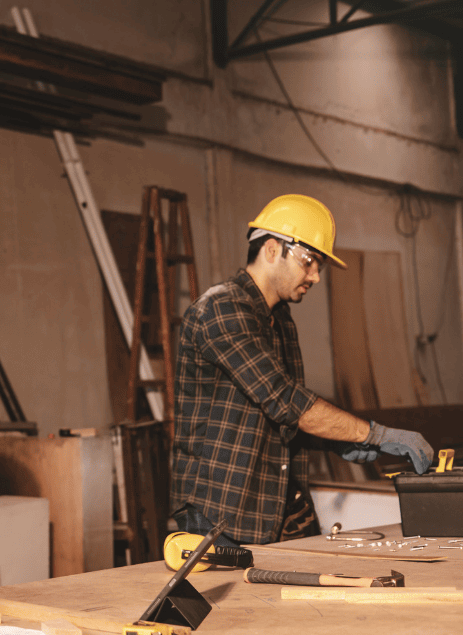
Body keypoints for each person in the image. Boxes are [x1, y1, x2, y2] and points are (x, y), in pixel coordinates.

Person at [169, 194, 433, 546]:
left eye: (319, 265)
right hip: (221, 514)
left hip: (273, 508)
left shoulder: (279, 319)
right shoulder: (221, 309)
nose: (316, 276)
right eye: (309, 261)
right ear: (272, 249)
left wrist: (337, 441)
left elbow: (278, 418)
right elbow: (284, 399)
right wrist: (375, 435)